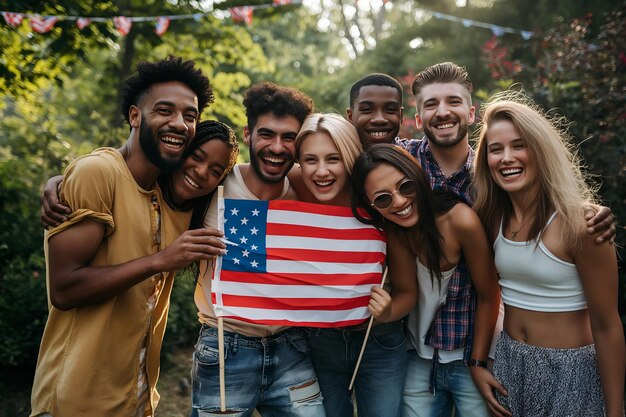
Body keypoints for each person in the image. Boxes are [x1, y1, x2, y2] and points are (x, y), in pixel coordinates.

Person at [30, 57, 224, 417]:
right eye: (164, 110)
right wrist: (161, 260)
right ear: (136, 116)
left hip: (137, 400)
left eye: (190, 116)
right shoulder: (98, 172)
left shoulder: (172, 197)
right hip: (75, 401)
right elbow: (64, 289)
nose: (179, 124)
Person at [473, 94, 625, 417]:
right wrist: (479, 363)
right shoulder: (491, 217)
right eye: (495, 149)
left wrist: (615, 412)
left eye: (519, 145)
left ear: (541, 150)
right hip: (511, 364)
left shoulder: (581, 224)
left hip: (570, 372)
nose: (506, 158)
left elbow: (607, 325)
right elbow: (490, 295)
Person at [191, 82, 327, 417]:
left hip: (291, 344)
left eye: (289, 137)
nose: (277, 147)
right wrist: (66, 182)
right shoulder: (213, 183)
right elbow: (149, 184)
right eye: (267, 134)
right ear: (248, 133)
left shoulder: (306, 186)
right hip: (225, 343)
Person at [351, 143, 504, 417]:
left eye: (405, 186)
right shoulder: (396, 232)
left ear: (418, 176)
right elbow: (408, 293)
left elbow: (488, 295)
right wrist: (387, 312)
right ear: (371, 205)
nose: (399, 202)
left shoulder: (460, 221)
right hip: (420, 360)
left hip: (466, 356)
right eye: (383, 199)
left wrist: (479, 362)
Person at [294, 113, 408, 417]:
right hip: (318, 344)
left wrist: (389, 311)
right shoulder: (294, 190)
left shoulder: (379, 203)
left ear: (350, 157)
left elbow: (409, 291)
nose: (321, 171)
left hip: (378, 340)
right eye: (309, 160)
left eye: (333, 159)